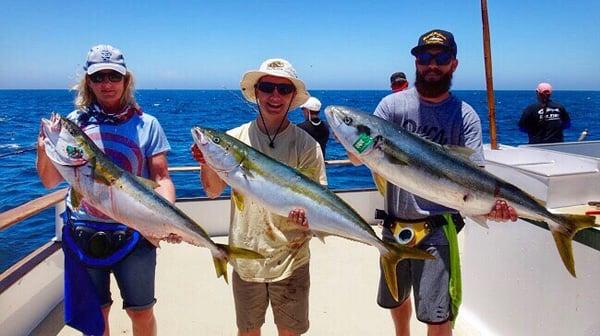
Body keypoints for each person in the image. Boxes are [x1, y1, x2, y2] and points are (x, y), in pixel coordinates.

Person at [347, 29, 517, 336]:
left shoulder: (464, 115)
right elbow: (361, 156)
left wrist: (488, 208)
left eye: (441, 58)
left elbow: (474, 177)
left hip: (438, 229)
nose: (432, 65)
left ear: (454, 64)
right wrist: (346, 134)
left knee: (437, 316)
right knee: (397, 299)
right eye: (425, 57)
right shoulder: (391, 107)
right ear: (416, 62)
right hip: (393, 226)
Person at [36, 44, 179, 336]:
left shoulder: (147, 124)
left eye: (114, 76)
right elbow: (51, 181)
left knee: (142, 313)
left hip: (134, 234)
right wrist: (43, 149)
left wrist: (169, 217)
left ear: (126, 80)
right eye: (98, 77)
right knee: (98, 315)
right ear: (88, 82)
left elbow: (162, 177)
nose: (107, 84)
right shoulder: (72, 125)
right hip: (83, 234)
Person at [191, 58, 327, 336]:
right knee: (248, 331)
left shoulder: (307, 145)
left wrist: (307, 220)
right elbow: (213, 191)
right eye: (267, 87)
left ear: (292, 97)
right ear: (256, 93)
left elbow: (320, 203)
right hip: (247, 259)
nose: (275, 95)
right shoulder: (234, 137)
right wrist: (207, 160)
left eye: (283, 89)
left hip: (292, 258)